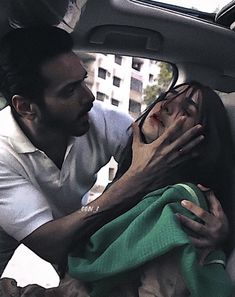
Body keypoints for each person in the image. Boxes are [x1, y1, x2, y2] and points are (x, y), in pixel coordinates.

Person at [0, 25, 228, 284]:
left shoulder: (104, 122)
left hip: (74, 229)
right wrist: (135, 179)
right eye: (69, 90)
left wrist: (220, 231)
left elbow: (159, 162)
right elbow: (50, 243)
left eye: (83, 81)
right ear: (26, 107)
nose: (89, 97)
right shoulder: (1, 153)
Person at [67, 82, 235, 297]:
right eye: (167, 97)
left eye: (186, 110)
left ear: (199, 143)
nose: (164, 106)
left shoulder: (182, 206)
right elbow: (84, 223)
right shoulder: (130, 185)